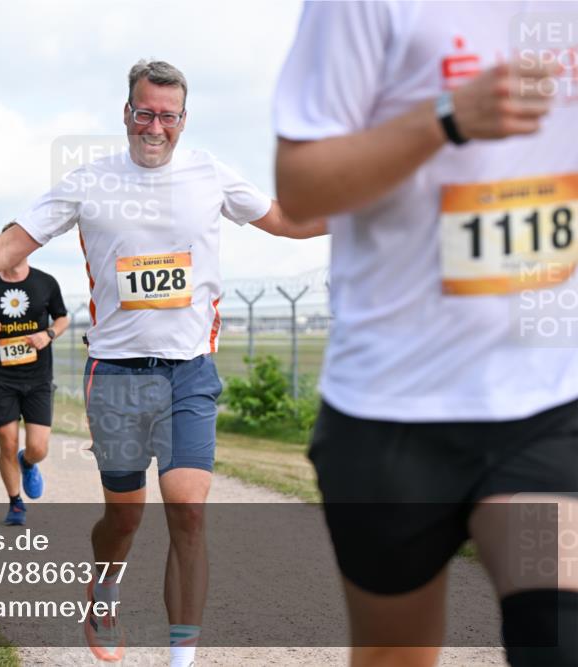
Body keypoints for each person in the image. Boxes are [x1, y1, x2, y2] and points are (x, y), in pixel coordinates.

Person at [0, 59, 324, 665]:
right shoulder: (89, 181)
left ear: (183, 119)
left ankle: (181, 658)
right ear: (126, 113)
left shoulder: (211, 173)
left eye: (168, 116)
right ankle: (104, 585)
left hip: (188, 371)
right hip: (118, 375)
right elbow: (6, 246)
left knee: (187, 507)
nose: (155, 127)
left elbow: (285, 219)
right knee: (123, 520)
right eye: (144, 113)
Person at [273, 4, 577, 667]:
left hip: (547, 400)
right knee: (394, 653)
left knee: (560, 637)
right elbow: (299, 188)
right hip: (392, 410)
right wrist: (446, 117)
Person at [0, 224, 70, 526]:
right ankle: (15, 503)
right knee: (6, 441)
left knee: (38, 447)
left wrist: (49, 334)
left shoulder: (45, 283)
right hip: (1, 378)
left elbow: (63, 317)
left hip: (38, 377)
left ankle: (28, 463)